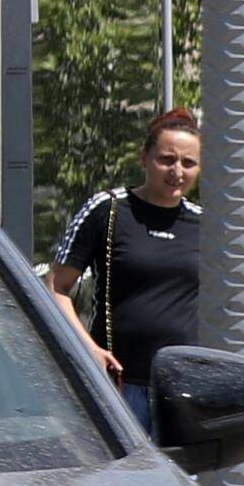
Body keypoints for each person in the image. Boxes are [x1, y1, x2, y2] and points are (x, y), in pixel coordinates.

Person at [45, 108, 207, 387]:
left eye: (188, 162)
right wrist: (88, 349)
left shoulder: (205, 224)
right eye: (166, 160)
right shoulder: (108, 210)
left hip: (184, 387)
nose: (177, 172)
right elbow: (55, 287)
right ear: (144, 159)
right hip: (117, 383)